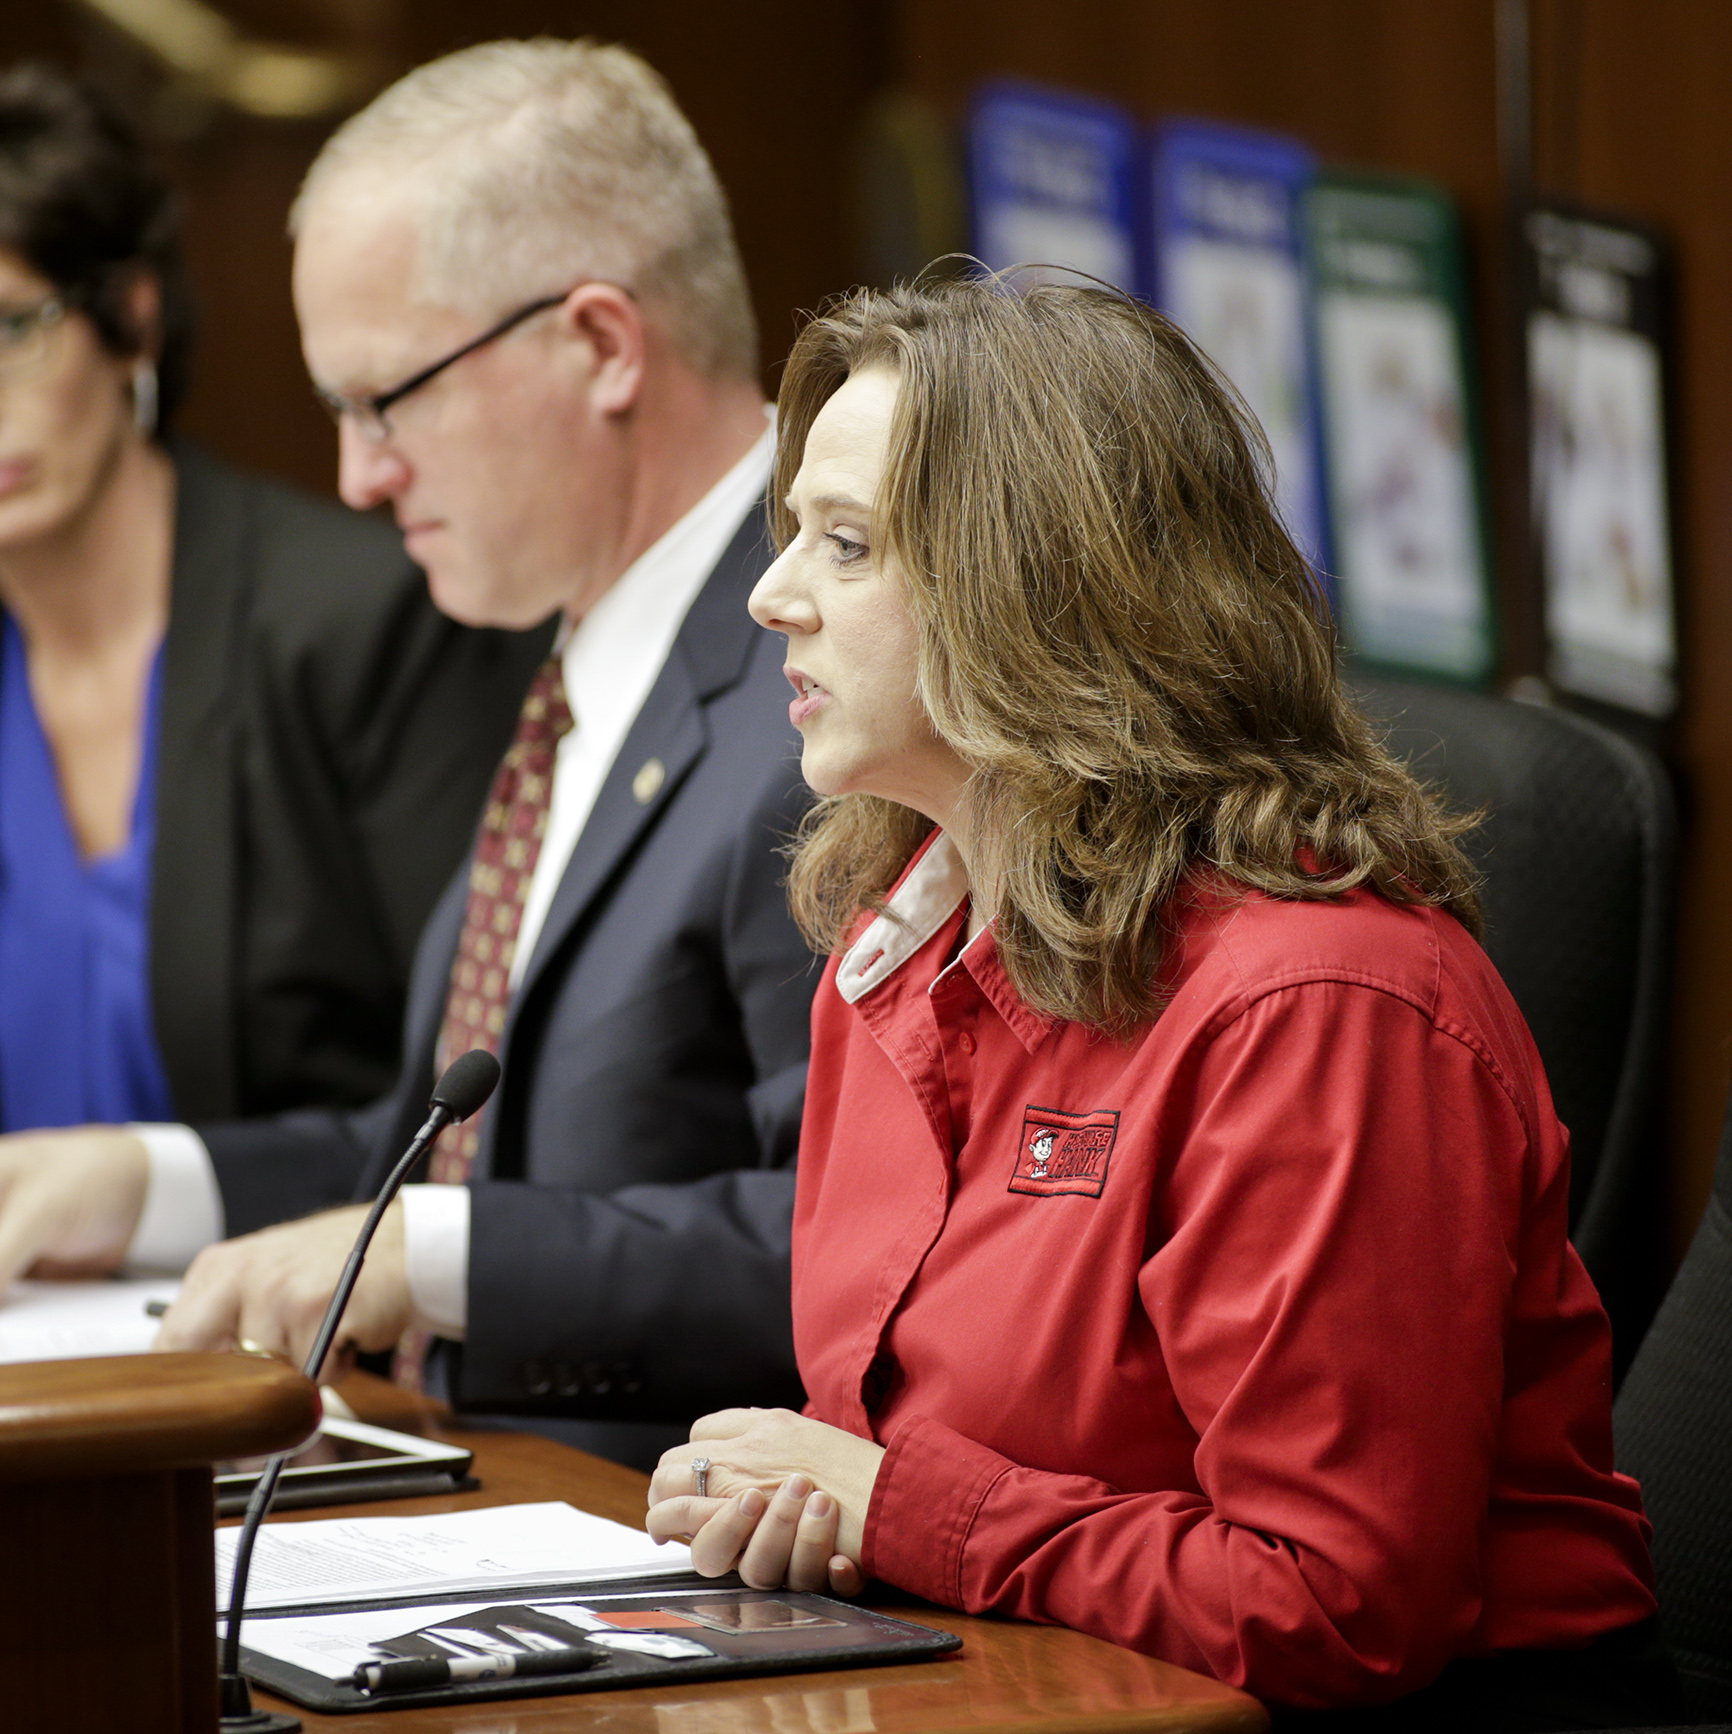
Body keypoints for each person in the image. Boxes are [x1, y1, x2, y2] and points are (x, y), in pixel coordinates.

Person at [645, 276, 1673, 1724]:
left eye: (849, 543)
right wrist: (800, 1500)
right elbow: (902, 1450)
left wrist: (900, 1507)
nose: (772, 594)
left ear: (1039, 592)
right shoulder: (895, 951)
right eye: (791, 531)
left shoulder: (1320, 1007)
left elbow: (1336, 1604)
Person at [0, 40, 817, 1465]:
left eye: (387, 399)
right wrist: (145, 1177)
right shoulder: (587, 657)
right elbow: (492, 1149)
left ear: (602, 344)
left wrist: (437, 1257)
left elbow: (883, 1246)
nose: (360, 475)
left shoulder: (825, 683)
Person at [0, 65, 543, 1204]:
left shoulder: (356, 619)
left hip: (306, 1320)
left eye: (7, 331)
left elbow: (475, 1097)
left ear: (130, 320)